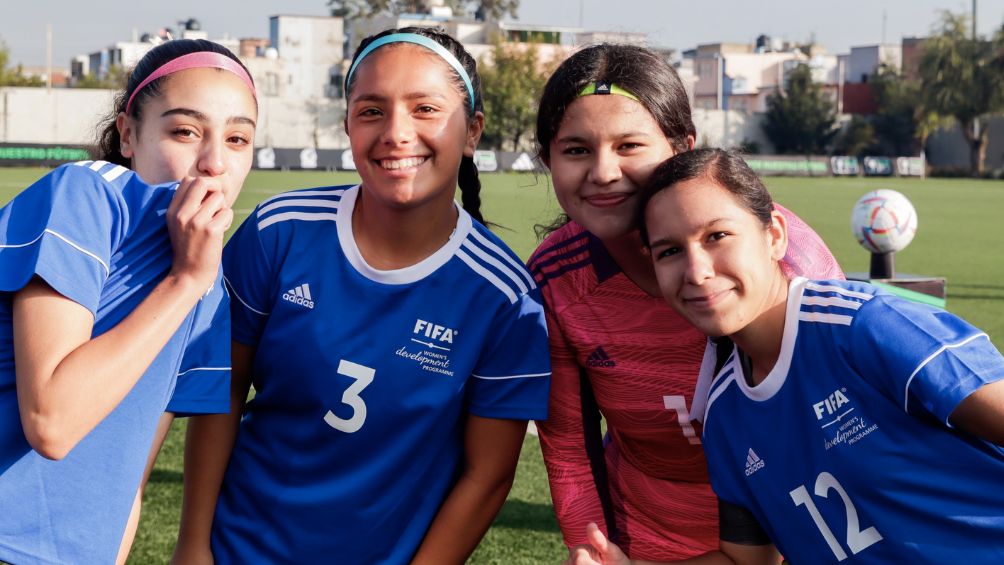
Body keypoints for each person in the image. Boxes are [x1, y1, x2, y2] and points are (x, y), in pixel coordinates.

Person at [172, 27, 550, 565]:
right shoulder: (279, 232)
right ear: (347, 124)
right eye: (371, 111)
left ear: (472, 133)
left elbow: (486, 476)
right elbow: (223, 394)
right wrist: (193, 545)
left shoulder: (505, 297)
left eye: (425, 109)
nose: (396, 133)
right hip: (237, 548)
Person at [567, 147, 1004, 564]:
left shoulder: (863, 327)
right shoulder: (724, 416)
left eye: (717, 236)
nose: (697, 271)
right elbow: (745, 562)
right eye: (670, 251)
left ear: (774, 235)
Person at [527, 44, 844, 562]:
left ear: (682, 147)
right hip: (646, 538)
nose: (604, 172)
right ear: (548, 161)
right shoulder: (555, 277)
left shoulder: (780, 254)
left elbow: (829, 429)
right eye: (577, 149)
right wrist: (593, 550)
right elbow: (568, 443)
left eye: (630, 145)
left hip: (798, 527)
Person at [0, 38, 256, 565]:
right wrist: (183, 282)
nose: (213, 163)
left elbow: (128, 478)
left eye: (237, 139)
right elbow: (51, 422)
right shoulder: (87, 196)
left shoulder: (209, 279)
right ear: (127, 134)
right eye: (185, 131)